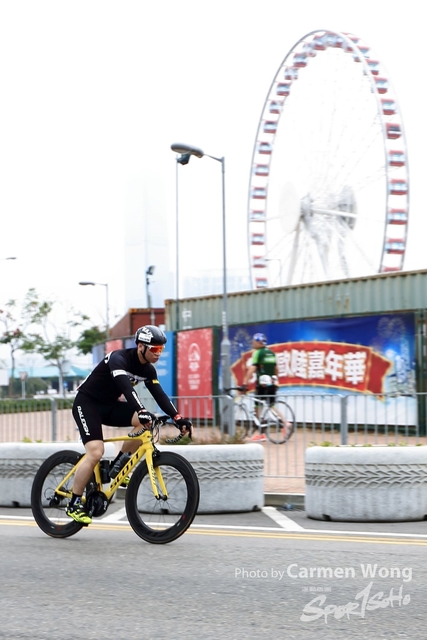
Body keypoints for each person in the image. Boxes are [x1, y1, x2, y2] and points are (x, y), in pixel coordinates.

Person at [67, 325, 192, 525]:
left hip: (109, 406)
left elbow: (159, 395)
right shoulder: (119, 359)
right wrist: (140, 409)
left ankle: (118, 466)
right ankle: (73, 503)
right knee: (95, 452)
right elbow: (126, 387)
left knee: (147, 423)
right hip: (87, 404)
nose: (158, 353)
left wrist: (177, 417)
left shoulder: (148, 369)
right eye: (155, 349)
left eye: (161, 349)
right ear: (141, 346)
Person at [242, 332, 279, 442]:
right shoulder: (271, 353)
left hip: (262, 384)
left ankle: (260, 433)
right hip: (272, 384)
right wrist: (276, 380)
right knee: (269, 406)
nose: (252, 343)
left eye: (254, 341)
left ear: (259, 342)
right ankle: (284, 423)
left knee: (257, 407)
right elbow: (276, 369)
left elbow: (252, 369)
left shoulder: (258, 353)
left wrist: (244, 383)